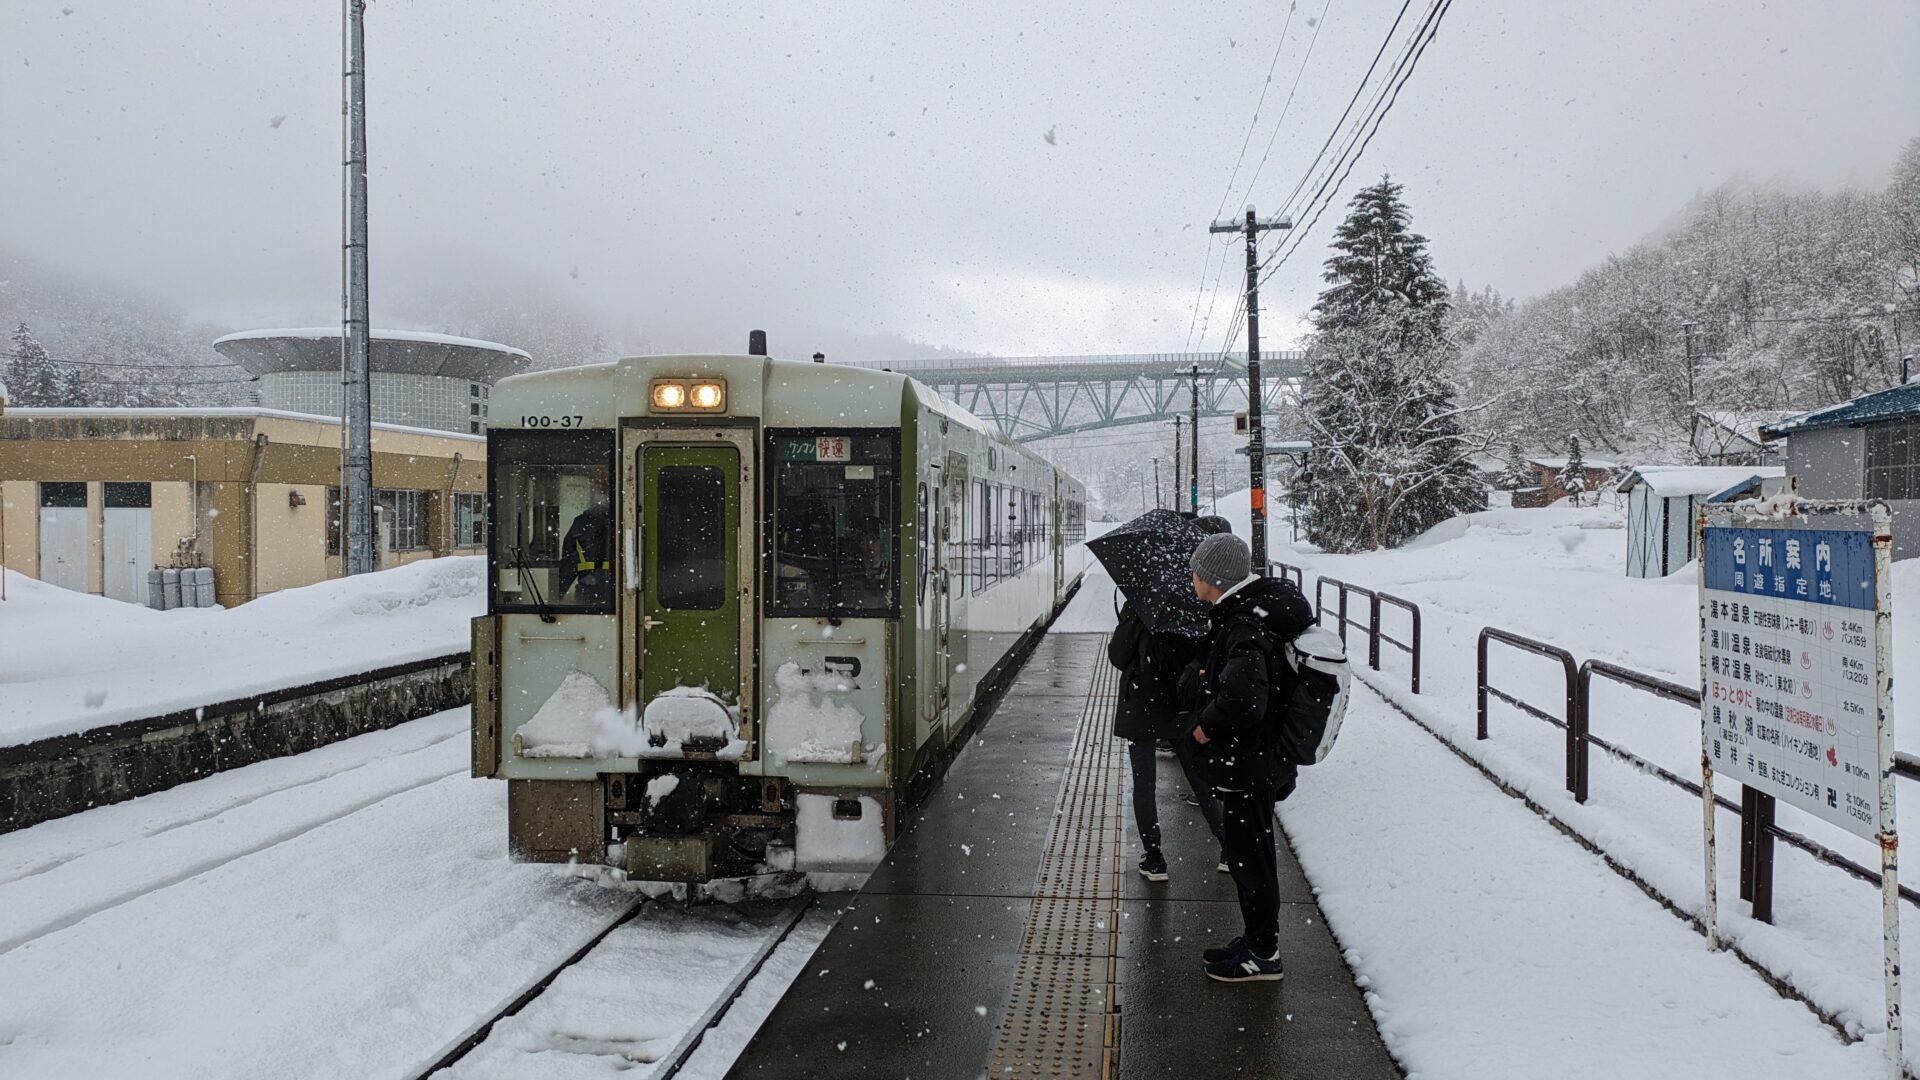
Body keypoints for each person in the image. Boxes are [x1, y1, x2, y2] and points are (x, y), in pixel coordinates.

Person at [1179, 531, 1312, 983]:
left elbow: (1244, 701)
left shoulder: (1243, 626)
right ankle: (1258, 941)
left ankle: (1262, 953)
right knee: (1253, 856)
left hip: (1247, 764)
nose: (1192, 578)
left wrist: (1203, 726)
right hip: (1258, 761)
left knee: (1250, 861)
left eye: (1197, 572)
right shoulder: (1251, 616)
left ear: (1212, 579)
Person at [1107, 599, 1225, 882]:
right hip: (1182, 705)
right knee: (1199, 778)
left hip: (1142, 707)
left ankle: (1155, 858)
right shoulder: (1194, 603)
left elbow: (1118, 656)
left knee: (1144, 783)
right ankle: (1229, 846)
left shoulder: (1140, 604)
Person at [555, 494, 612, 603]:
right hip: (616, 591)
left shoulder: (580, 524)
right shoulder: (620, 522)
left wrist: (558, 594)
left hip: (587, 593)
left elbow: (568, 563)